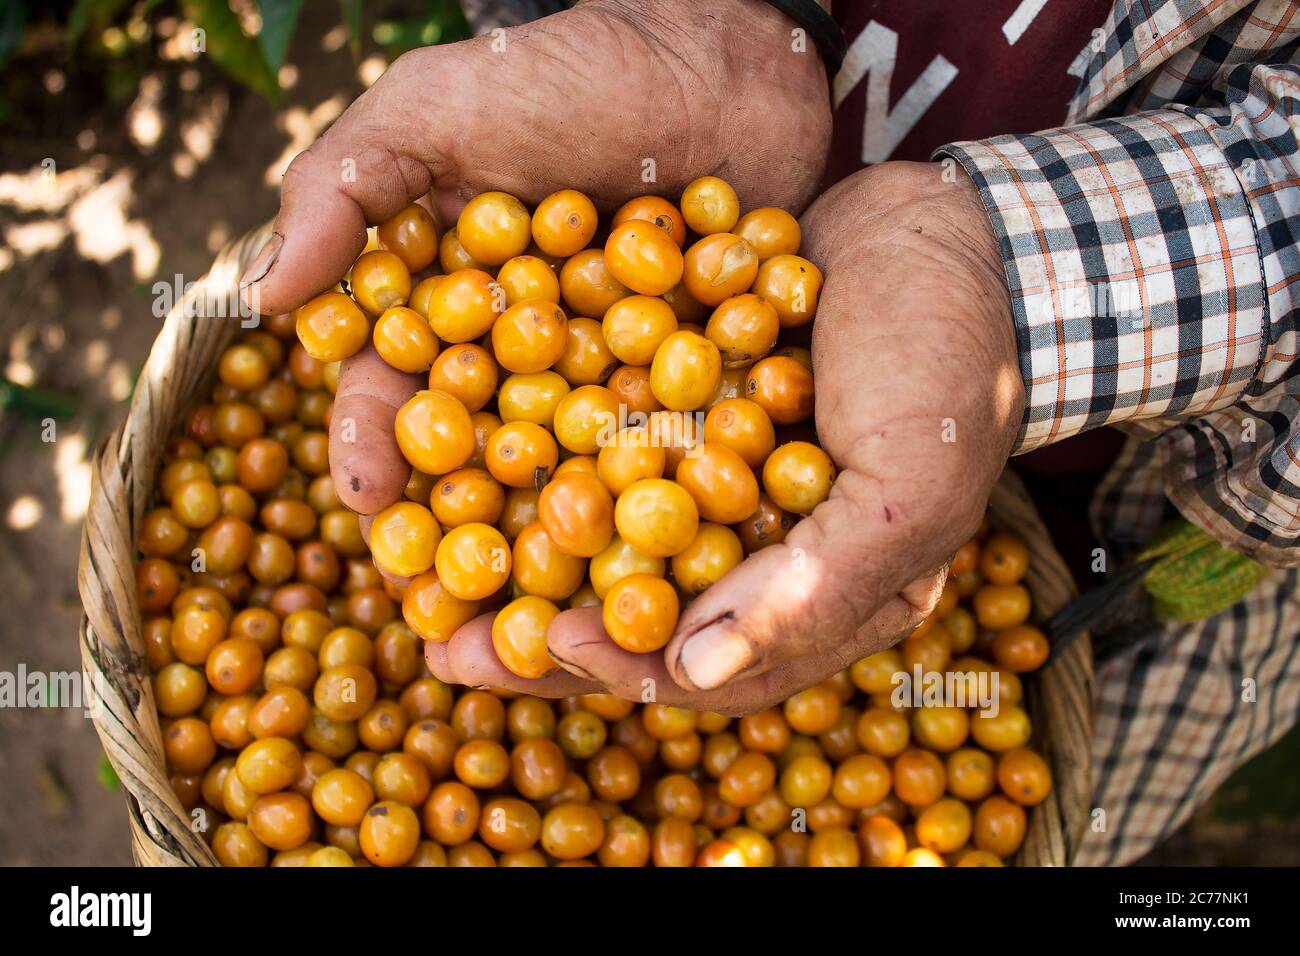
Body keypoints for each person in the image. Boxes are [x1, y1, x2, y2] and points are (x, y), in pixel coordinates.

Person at [239, 0, 1300, 865]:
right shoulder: (610, 365)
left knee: (1060, 738)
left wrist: (1002, 273)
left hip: (1167, 472)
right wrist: (704, 24)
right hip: (825, 328)